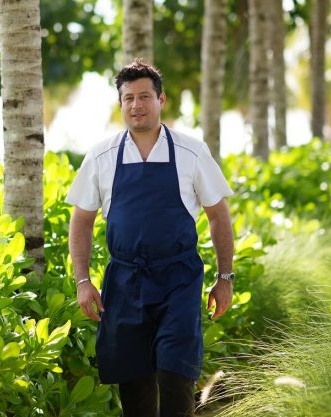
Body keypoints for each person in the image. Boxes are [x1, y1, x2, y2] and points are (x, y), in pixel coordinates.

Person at [66, 59, 235, 417]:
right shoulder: (101, 155)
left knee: (177, 375)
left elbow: (218, 216)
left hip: (178, 279)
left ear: (162, 100)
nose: (136, 105)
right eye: (128, 98)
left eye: (144, 96)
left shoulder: (192, 152)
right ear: (120, 104)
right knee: (135, 386)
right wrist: (83, 280)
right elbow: (81, 221)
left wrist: (225, 278)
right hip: (125, 282)